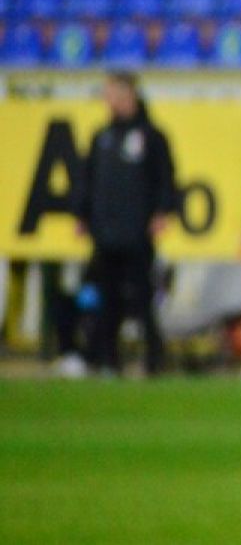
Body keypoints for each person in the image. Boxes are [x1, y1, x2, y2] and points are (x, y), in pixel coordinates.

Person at [74, 71, 177, 376]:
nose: (111, 100)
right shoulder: (101, 137)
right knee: (107, 298)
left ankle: (153, 360)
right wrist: (82, 215)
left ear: (130, 95)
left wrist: (162, 212)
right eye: (108, 94)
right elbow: (88, 180)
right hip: (105, 232)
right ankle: (108, 360)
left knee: (143, 297)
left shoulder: (151, 137)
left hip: (137, 232)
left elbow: (166, 179)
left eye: (116, 94)